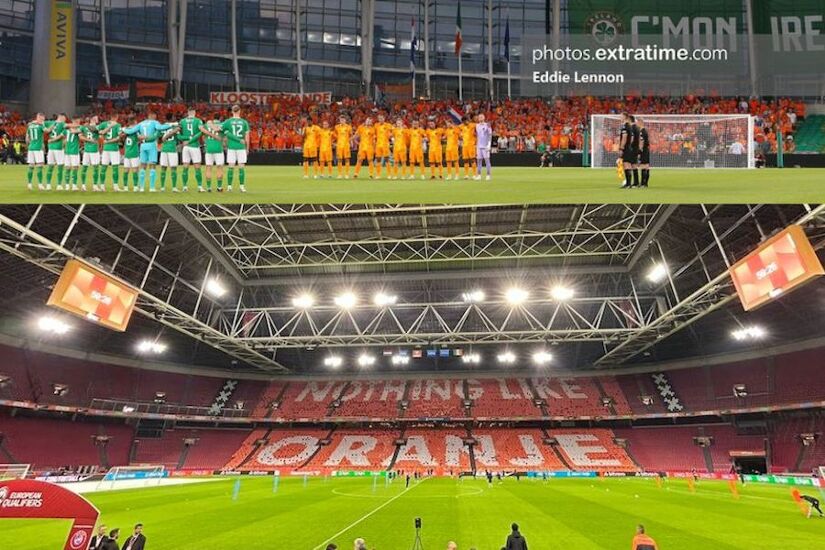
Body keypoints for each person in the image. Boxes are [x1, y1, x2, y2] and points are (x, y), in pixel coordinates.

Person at [123, 110, 175, 192]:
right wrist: (171, 124)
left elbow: (130, 131)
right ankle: (151, 187)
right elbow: (160, 128)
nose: (156, 117)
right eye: (155, 115)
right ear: (152, 115)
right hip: (151, 145)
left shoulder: (141, 123)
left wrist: (123, 129)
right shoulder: (154, 122)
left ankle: (142, 187)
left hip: (143, 146)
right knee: (152, 165)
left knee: (143, 166)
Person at [221, 104, 250, 192]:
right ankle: (242, 186)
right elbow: (247, 137)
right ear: (240, 111)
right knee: (241, 167)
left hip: (231, 146)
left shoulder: (228, 121)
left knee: (231, 167)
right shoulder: (244, 122)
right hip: (241, 147)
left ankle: (229, 186)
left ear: (232, 111)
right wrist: (247, 148)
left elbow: (220, 129)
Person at [178, 107, 204, 192]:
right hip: (194, 146)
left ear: (188, 112)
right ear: (194, 112)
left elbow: (178, 135)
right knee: (197, 167)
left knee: (185, 167)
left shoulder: (182, 121)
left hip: (186, 147)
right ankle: (200, 186)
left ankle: (185, 187)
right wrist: (191, 139)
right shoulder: (198, 121)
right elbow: (201, 132)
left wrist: (186, 139)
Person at [98, 113, 122, 191]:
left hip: (106, 149)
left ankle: (102, 186)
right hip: (114, 149)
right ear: (116, 117)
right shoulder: (117, 125)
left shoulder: (104, 124)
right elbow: (119, 137)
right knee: (115, 167)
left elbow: (99, 131)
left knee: (103, 167)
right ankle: (115, 186)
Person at [78, 115, 101, 191]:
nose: (98, 119)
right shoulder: (97, 127)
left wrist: (87, 139)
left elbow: (80, 137)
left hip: (87, 150)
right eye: (96, 118)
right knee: (95, 168)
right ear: (93, 119)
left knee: (84, 167)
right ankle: (94, 186)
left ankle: (83, 186)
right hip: (94, 150)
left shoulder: (84, 127)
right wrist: (90, 140)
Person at [44, 113, 67, 190]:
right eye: (64, 118)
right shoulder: (63, 124)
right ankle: (59, 185)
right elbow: (63, 135)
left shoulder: (49, 122)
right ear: (61, 117)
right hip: (58, 148)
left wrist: (32, 122)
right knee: (60, 166)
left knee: (50, 166)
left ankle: (48, 185)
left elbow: (40, 123)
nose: (65, 119)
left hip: (51, 148)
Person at [202, 119, 226, 192]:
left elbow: (203, 137)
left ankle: (209, 187)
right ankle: (219, 187)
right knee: (219, 168)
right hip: (218, 149)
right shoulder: (222, 125)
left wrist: (207, 142)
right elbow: (224, 139)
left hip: (209, 149)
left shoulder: (206, 125)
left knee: (208, 168)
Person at [159, 113, 181, 192]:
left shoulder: (163, 126)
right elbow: (178, 137)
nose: (174, 118)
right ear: (171, 118)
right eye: (174, 116)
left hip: (164, 149)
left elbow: (159, 136)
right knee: (173, 168)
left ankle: (162, 187)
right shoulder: (175, 126)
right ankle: (174, 187)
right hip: (172, 149)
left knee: (163, 168)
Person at [25, 112, 46, 191]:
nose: (43, 120)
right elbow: (46, 131)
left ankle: (29, 184)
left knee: (31, 166)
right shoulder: (41, 126)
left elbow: (27, 138)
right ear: (39, 117)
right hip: (38, 148)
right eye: (42, 118)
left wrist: (29, 146)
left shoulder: (30, 126)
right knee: (40, 165)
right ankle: (40, 185)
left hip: (31, 148)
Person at [474, 114, 493, 181]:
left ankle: (488, 175)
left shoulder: (487, 125)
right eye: (479, 117)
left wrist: (489, 144)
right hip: (479, 146)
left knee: (487, 160)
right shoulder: (477, 126)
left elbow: (490, 134)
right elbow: (478, 136)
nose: (480, 118)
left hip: (485, 146)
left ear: (484, 118)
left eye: (481, 117)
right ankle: (479, 175)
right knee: (479, 160)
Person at [618, 113, 634, 189]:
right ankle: (628, 183)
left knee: (626, 164)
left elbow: (624, 137)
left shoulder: (625, 127)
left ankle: (628, 184)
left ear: (625, 117)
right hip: (629, 147)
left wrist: (621, 148)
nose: (620, 118)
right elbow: (631, 139)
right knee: (627, 165)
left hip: (626, 148)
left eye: (621, 116)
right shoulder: (630, 126)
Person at [373, 114, 392, 178]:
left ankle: (389, 174)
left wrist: (390, 135)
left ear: (384, 118)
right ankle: (378, 174)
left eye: (382, 118)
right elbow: (374, 133)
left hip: (385, 144)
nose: (380, 119)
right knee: (378, 159)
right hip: (378, 144)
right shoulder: (376, 125)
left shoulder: (388, 125)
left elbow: (392, 131)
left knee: (387, 159)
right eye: (379, 118)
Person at [637, 118, 650, 188]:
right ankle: (646, 183)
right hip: (646, 150)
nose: (637, 124)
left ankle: (642, 183)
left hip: (643, 151)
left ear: (640, 122)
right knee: (647, 166)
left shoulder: (641, 131)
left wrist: (639, 151)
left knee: (643, 166)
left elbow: (641, 142)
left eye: (637, 122)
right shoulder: (645, 131)